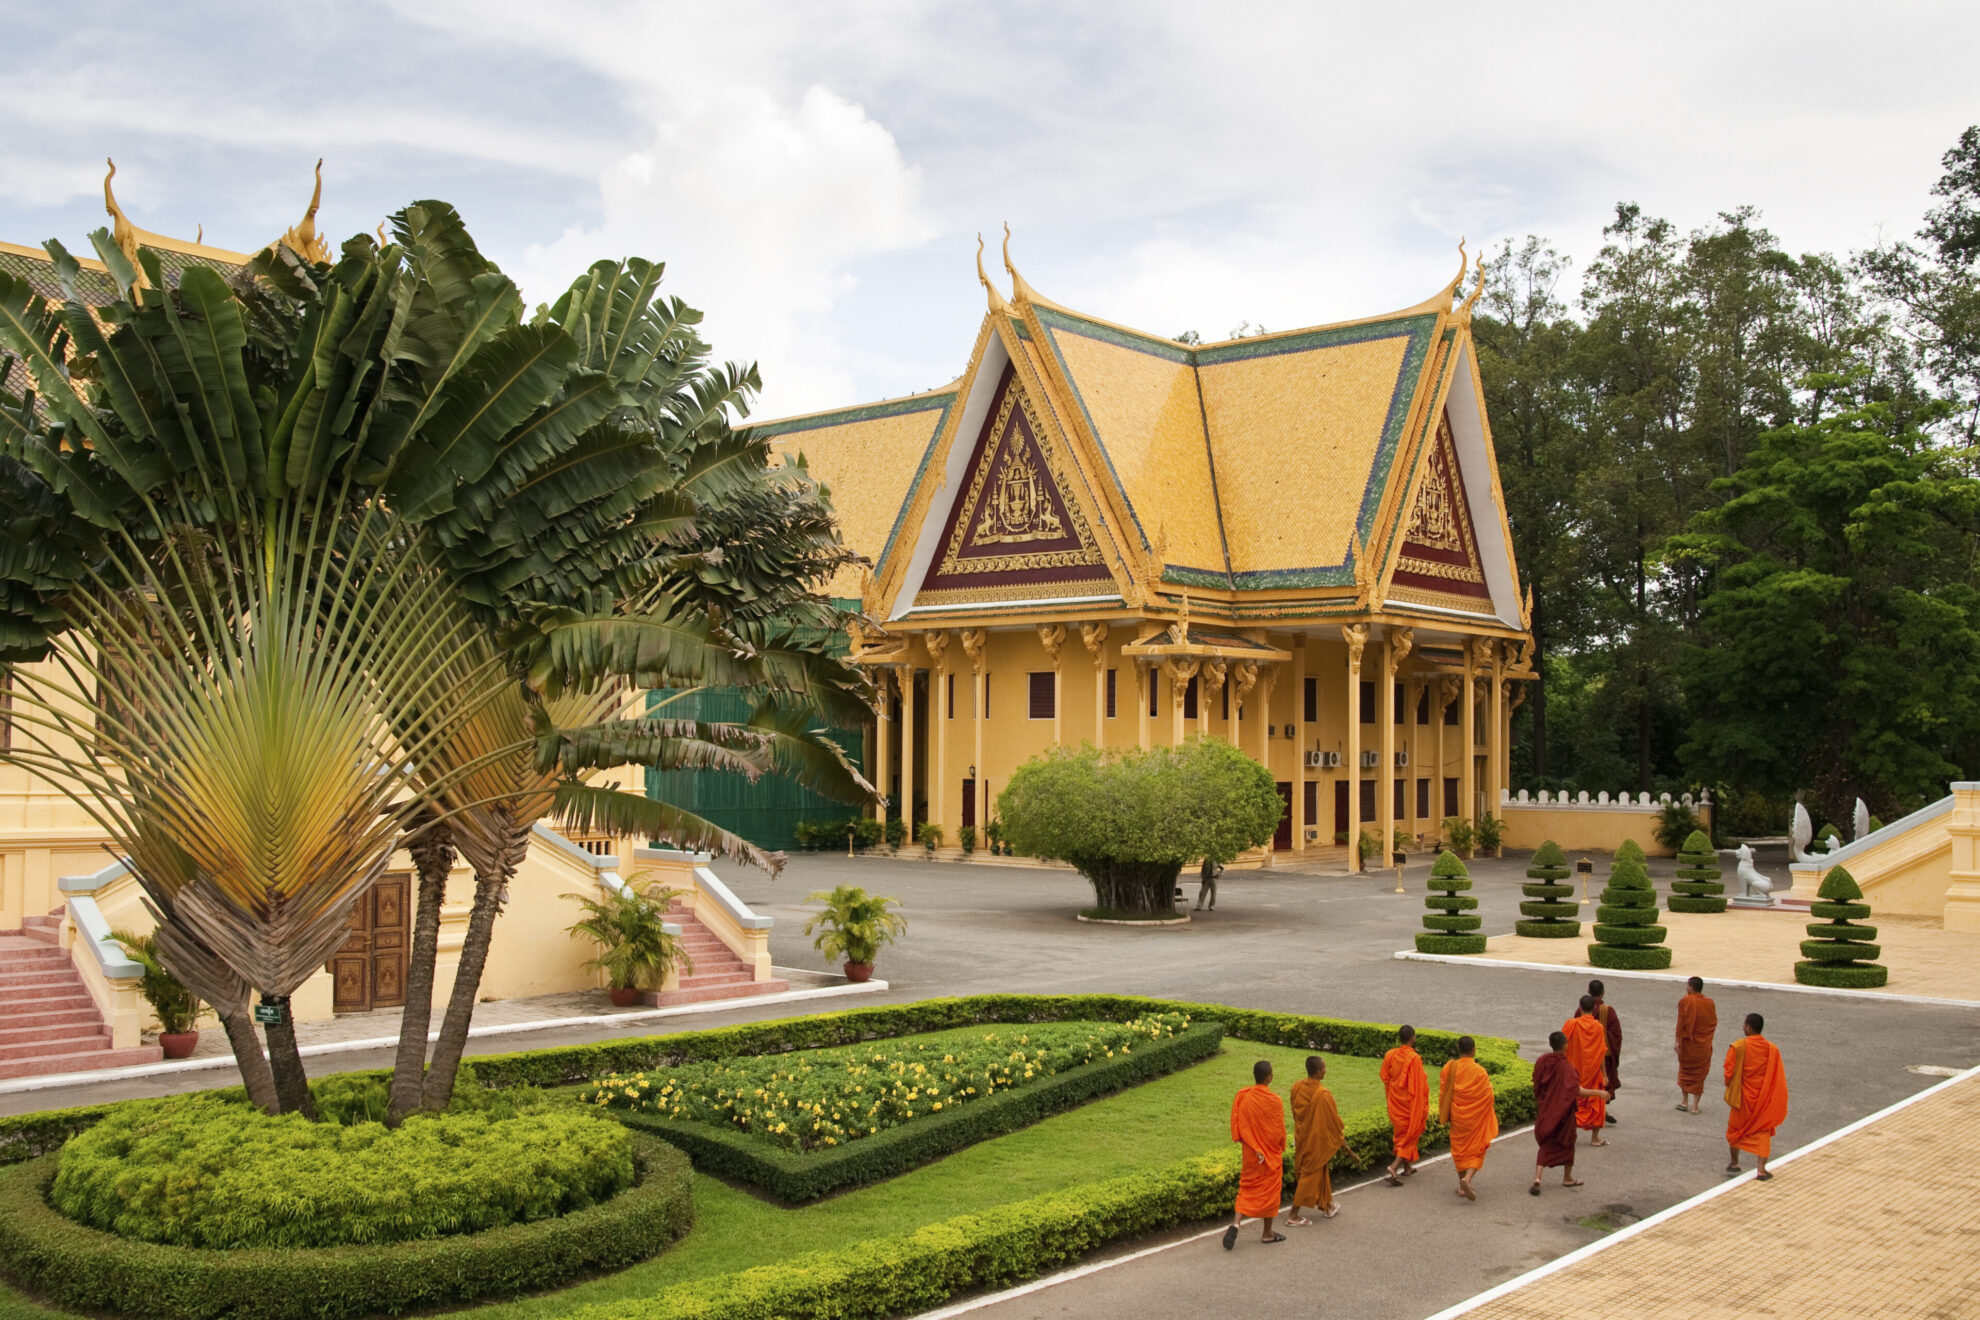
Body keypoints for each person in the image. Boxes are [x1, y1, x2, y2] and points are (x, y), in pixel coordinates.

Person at [1224, 1059, 1288, 1248]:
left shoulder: (1243, 1096)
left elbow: (1238, 1126)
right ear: (1269, 1077)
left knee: (1247, 1188)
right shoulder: (1274, 1100)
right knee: (1270, 1192)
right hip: (1268, 1155)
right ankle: (1267, 1233)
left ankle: (1236, 1223)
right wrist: (1280, 1146)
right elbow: (1278, 1130)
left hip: (1251, 1154)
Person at [1531, 1030, 1602, 1195]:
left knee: (1546, 1145)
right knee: (1568, 1143)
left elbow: (1537, 1082)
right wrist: (1599, 1093)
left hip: (1547, 1110)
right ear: (1565, 1046)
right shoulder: (1566, 1067)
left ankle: (1538, 1177)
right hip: (1563, 1114)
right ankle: (1567, 1178)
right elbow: (1577, 1090)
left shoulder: (1542, 1061)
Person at [1724, 1012, 1788, 1181]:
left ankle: (1734, 1163)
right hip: (1763, 1099)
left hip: (1742, 1099)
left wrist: (1731, 1086)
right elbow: (1777, 1075)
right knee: (1762, 1132)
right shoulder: (1772, 1049)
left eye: (1744, 1025)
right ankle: (1761, 1170)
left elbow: (1728, 1072)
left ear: (1749, 1027)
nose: (1743, 1027)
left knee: (1735, 1131)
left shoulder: (1738, 1047)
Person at [1287, 1055, 1347, 1224]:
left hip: (1302, 1136)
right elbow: (1333, 1121)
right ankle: (1293, 1215)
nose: (1325, 1070)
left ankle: (1328, 1206)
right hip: (1314, 1139)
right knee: (1309, 1175)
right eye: (1324, 1068)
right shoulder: (1322, 1094)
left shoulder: (1297, 1087)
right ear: (1319, 1071)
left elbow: (1295, 1111)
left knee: (1319, 1171)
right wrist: (1339, 1138)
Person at [1438, 1036, 1498, 1201]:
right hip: (1475, 1118)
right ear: (1473, 1050)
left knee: (1459, 1149)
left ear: (1458, 1049)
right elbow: (1488, 1097)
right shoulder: (1479, 1071)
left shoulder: (1449, 1068)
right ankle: (1468, 1178)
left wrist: (1445, 1112)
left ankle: (1460, 1184)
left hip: (1458, 1116)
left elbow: (1444, 1091)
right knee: (1478, 1147)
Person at [1380, 1025, 1430, 1186]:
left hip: (1395, 1102)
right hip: (1409, 1104)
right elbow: (1420, 1085)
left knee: (1402, 1135)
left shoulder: (1390, 1054)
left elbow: (1384, 1076)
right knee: (1410, 1134)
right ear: (1412, 1038)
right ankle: (1394, 1167)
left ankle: (1407, 1168)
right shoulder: (1415, 1059)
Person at [1562, 996, 1609, 1146]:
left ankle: (1568, 1135)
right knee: (1596, 1103)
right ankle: (1595, 1138)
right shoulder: (1598, 1027)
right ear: (1594, 1009)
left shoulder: (1571, 1024)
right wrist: (1605, 1074)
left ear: (1580, 1007)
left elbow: (1562, 1046)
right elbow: (1601, 1052)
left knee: (1571, 1104)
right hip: (1593, 1071)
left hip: (1573, 1070)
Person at [1674, 977, 1718, 1114]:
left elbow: (1681, 1023)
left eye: (1687, 985)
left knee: (1685, 1071)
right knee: (1699, 1074)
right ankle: (1695, 1106)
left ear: (1691, 987)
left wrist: (1677, 1040)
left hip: (1688, 1044)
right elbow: (1712, 1023)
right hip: (1702, 1045)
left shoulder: (1685, 1001)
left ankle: (1685, 1101)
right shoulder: (1710, 1003)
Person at [1589, 979, 1622, 1122]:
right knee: (1602, 1081)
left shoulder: (1582, 1009)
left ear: (1589, 991)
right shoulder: (1608, 1011)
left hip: (1586, 1055)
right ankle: (1601, 1110)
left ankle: (1600, 1109)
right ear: (1603, 993)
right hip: (1603, 1054)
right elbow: (1616, 1034)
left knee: (1587, 1082)